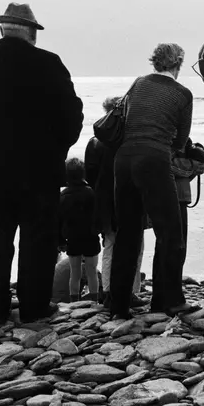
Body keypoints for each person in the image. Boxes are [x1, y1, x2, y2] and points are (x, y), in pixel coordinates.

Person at [0, 4, 84, 324]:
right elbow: (72, 117)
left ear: (2, 30)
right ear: (31, 33)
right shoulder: (48, 64)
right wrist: (57, 149)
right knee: (38, 241)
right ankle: (33, 307)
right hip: (39, 171)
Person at [110, 43, 193, 319]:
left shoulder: (138, 84)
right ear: (178, 63)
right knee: (170, 233)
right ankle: (167, 300)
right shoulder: (182, 93)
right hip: (154, 157)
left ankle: (118, 303)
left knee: (127, 232)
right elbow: (180, 140)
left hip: (123, 158)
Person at [85, 97, 145, 308]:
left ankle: (108, 289)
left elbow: (90, 174)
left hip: (104, 199)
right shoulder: (130, 137)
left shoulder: (95, 141)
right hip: (129, 194)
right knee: (135, 244)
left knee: (110, 244)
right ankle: (131, 290)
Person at [58, 158, 100, 302]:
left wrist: (60, 240)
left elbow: (58, 221)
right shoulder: (90, 193)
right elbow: (97, 216)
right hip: (90, 237)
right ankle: (94, 299)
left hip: (72, 238)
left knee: (74, 273)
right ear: (83, 174)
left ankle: (74, 300)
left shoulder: (63, 196)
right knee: (92, 272)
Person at [170, 138, 204, 268]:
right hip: (178, 196)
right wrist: (194, 167)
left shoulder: (169, 138)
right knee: (178, 241)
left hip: (175, 195)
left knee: (172, 241)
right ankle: (173, 279)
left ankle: (171, 279)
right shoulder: (180, 140)